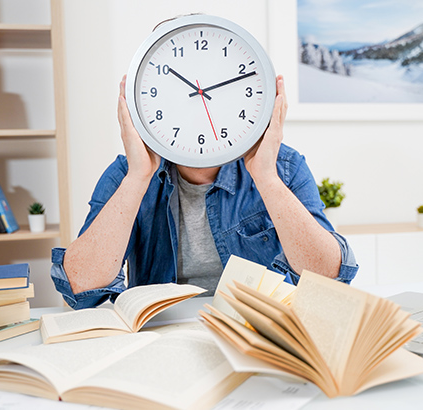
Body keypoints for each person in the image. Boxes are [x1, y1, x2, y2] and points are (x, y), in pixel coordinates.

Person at [51, 74, 358, 309]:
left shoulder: (284, 166)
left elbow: (329, 280)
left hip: (258, 338)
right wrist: (138, 177)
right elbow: (79, 288)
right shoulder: (127, 174)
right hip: (163, 343)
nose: (200, 99)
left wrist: (265, 177)